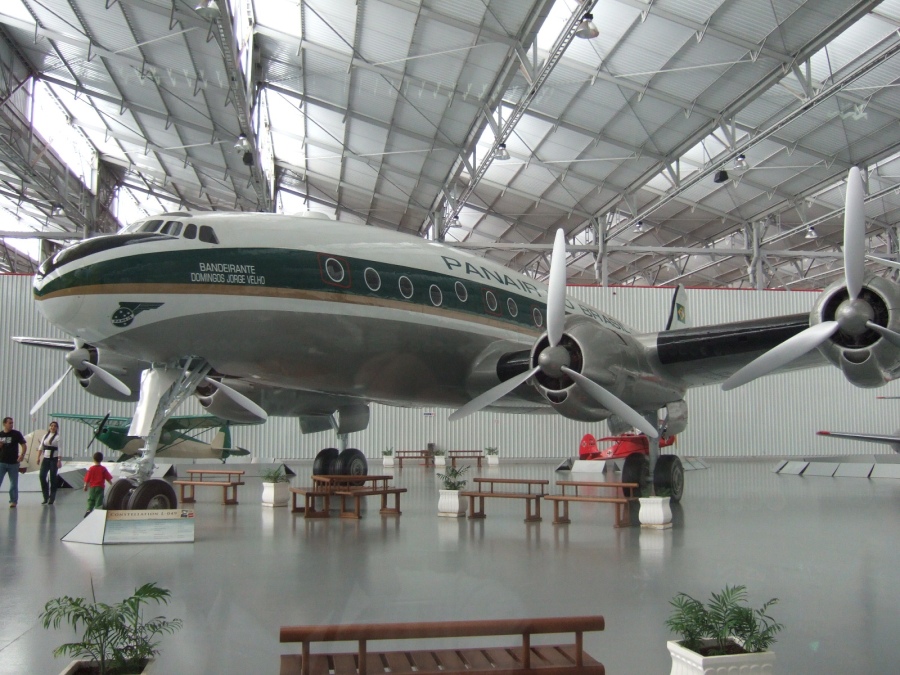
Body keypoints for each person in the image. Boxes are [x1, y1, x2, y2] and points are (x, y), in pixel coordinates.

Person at [0, 417, 27, 508]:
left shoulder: (16, 434)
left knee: (13, 483)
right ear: (4, 424)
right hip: (2, 462)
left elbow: (23, 445)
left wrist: (22, 455)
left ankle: (13, 501)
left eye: (12, 423)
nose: (11, 425)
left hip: (13, 463)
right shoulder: (0, 434)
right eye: (9, 423)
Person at [37, 421, 62, 505]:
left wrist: (59, 460)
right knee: (42, 476)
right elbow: (41, 447)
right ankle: (45, 496)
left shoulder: (58, 437)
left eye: (55, 426)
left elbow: (60, 449)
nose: (53, 427)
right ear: (49, 427)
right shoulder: (45, 436)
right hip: (46, 458)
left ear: (57, 428)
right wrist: (38, 457)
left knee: (53, 478)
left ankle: (52, 497)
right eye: (51, 426)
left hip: (54, 459)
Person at [83, 451, 113, 517]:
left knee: (91, 499)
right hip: (100, 487)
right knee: (99, 500)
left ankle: (89, 510)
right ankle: (97, 511)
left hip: (92, 487)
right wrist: (112, 485)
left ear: (93, 459)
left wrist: (85, 486)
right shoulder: (103, 469)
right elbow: (108, 478)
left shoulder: (91, 469)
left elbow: (87, 478)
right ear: (101, 459)